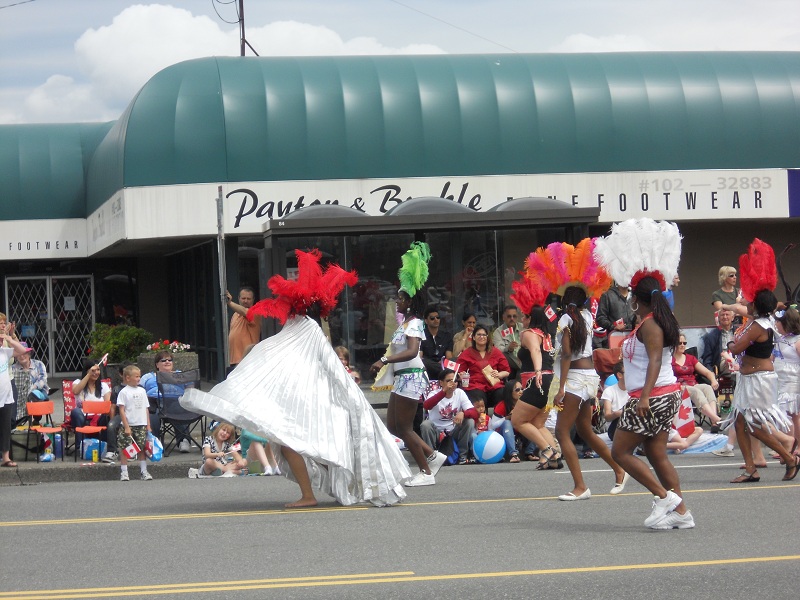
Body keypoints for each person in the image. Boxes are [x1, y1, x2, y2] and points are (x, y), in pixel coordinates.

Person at [183, 248, 413, 507]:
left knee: (297, 444)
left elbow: (319, 365)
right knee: (296, 444)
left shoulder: (305, 328)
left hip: (309, 401)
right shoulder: (301, 327)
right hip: (304, 399)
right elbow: (287, 358)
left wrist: (348, 395)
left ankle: (310, 495)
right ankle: (313, 493)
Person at [596, 218, 694, 529]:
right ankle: (682, 514)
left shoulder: (651, 324)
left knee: (621, 451)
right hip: (662, 395)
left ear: (635, 297)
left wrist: (645, 397)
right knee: (656, 454)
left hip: (654, 396)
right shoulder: (650, 320)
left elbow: (654, 361)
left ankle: (666, 499)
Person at [722, 239, 798, 483]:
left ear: (756, 304)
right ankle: (750, 468)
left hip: (759, 380)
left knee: (753, 426)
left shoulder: (758, 326)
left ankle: (789, 457)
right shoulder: (763, 320)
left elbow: (736, 348)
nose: (746, 302)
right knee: (740, 422)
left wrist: (730, 344)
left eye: (750, 300)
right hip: (750, 378)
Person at [372, 242, 447, 488]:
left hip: (412, 378)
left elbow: (413, 351)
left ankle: (426, 472)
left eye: (401, 298)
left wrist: (384, 359)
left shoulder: (414, 322)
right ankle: (433, 456)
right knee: (393, 426)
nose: (398, 300)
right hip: (402, 379)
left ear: (410, 301)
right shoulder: (404, 324)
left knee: (404, 427)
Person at [552, 286, 628, 500]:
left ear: (565, 301)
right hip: (591, 377)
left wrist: (560, 388)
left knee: (561, 431)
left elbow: (567, 355)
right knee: (585, 430)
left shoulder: (566, 319)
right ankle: (619, 469)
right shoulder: (586, 316)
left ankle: (580, 486)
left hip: (575, 379)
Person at [510, 304, 560, 469]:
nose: (522, 320)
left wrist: (537, 371)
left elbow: (535, 352)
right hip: (551, 381)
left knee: (518, 421)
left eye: (524, 316)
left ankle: (546, 450)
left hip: (538, 380)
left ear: (531, 319)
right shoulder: (546, 335)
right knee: (538, 423)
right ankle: (555, 456)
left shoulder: (529, 334)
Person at [421, 369, 477, 465]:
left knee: (469, 421)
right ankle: (432, 457)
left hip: (453, 431)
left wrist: (463, 413)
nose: (453, 383)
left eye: (455, 381)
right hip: (437, 432)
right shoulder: (434, 393)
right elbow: (427, 406)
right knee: (425, 424)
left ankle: (462, 456)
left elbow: (474, 413)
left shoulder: (459, 393)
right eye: (449, 381)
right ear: (441, 383)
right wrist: (444, 392)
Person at [672, 332, 723, 431]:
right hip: (678, 387)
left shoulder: (690, 358)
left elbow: (707, 372)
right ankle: (717, 419)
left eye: (684, 343)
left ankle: (714, 423)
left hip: (693, 384)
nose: (682, 345)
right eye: (680, 343)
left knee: (707, 388)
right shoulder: (670, 360)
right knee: (696, 391)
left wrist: (713, 380)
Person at [140, 350, 190, 452]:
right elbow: (139, 390)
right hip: (154, 402)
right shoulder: (148, 377)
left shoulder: (179, 374)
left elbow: (190, 389)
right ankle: (154, 441)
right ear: (157, 364)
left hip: (174, 402)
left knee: (179, 408)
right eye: (163, 360)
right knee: (151, 413)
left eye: (169, 360)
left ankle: (183, 440)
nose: (167, 362)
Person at [456, 324, 510, 409]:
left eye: (484, 335)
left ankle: (499, 419)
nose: (482, 337)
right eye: (479, 334)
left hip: (494, 385)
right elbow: (458, 373)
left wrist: (499, 374)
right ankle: (482, 421)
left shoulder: (495, 351)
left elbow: (506, 371)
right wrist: (461, 376)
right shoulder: (466, 353)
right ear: (473, 337)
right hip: (475, 386)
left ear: (487, 337)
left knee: (501, 393)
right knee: (478, 397)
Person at [116, 365, 153, 481]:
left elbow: (146, 408)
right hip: (128, 425)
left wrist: (148, 425)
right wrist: (126, 426)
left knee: (141, 447)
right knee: (125, 448)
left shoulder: (142, 390)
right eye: (136, 376)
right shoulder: (124, 392)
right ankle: (124, 471)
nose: (138, 379)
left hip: (141, 424)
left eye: (139, 376)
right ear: (128, 378)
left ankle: (143, 471)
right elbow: (121, 410)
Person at [774, 306, 800, 451]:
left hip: (793, 380)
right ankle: (789, 444)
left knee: (795, 414)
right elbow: (771, 358)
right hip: (780, 380)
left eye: (778, 322)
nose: (776, 324)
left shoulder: (798, 340)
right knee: (786, 413)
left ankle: (798, 447)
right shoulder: (780, 339)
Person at [0, 333, 27, 468]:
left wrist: (10, 339)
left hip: (6, 397)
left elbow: (23, 351)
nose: (1, 342)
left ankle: (6, 458)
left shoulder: (5, 352)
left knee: (5, 427)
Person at [69, 359, 112, 441]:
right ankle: (81, 447)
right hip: (82, 417)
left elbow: (107, 406)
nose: (96, 373)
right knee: (75, 412)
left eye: (98, 370)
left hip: (99, 418)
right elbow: (75, 391)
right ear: (86, 371)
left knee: (106, 416)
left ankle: (104, 446)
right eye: (93, 370)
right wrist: (88, 375)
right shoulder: (77, 382)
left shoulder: (103, 386)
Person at [11, 343, 48, 425]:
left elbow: (43, 380)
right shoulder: (13, 368)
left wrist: (32, 388)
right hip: (20, 394)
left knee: (33, 394)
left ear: (29, 354)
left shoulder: (39, 364)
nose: (22, 356)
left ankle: (36, 420)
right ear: (16, 356)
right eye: (19, 354)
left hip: (39, 392)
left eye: (24, 353)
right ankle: (19, 420)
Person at [226, 287, 262, 371]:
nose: (245, 301)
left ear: (253, 300)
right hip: (234, 361)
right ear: (239, 298)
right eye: (243, 298)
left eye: (248, 299)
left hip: (247, 361)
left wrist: (229, 303)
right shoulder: (235, 315)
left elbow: (245, 312)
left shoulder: (255, 313)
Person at [594, 283, 636, 349]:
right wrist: (613, 326)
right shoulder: (607, 295)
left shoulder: (634, 295)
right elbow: (600, 318)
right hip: (615, 340)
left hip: (634, 339)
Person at [701, 308, 738, 379]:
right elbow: (707, 360)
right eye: (722, 315)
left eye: (727, 314)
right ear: (718, 318)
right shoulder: (711, 336)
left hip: (738, 359)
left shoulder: (739, 331)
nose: (725, 317)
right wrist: (711, 374)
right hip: (723, 362)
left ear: (732, 317)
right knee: (729, 363)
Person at [419, 305, 453, 380]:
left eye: (438, 317)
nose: (436, 320)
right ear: (426, 321)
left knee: (453, 361)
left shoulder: (446, 336)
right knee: (424, 362)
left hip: (443, 365)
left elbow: (449, 356)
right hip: (428, 368)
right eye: (432, 318)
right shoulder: (421, 335)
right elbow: (420, 357)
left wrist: (443, 363)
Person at [601, 361, 629, 441]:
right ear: (619, 375)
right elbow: (607, 417)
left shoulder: (635, 390)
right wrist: (618, 413)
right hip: (616, 428)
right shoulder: (609, 391)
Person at [492, 305, 522, 378]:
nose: (512, 319)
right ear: (503, 317)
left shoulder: (523, 327)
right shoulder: (498, 332)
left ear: (517, 317)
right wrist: (508, 348)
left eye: (514, 316)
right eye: (509, 316)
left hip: (524, 359)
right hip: (510, 361)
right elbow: (498, 349)